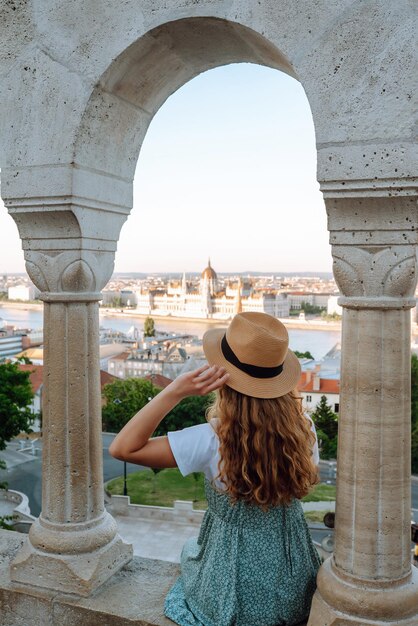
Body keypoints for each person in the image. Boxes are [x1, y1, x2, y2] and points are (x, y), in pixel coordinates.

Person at [109, 312, 321, 626]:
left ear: (224, 380)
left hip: (229, 581)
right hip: (291, 575)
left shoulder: (211, 441)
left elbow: (123, 447)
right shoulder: (305, 430)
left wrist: (175, 391)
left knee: (188, 555)